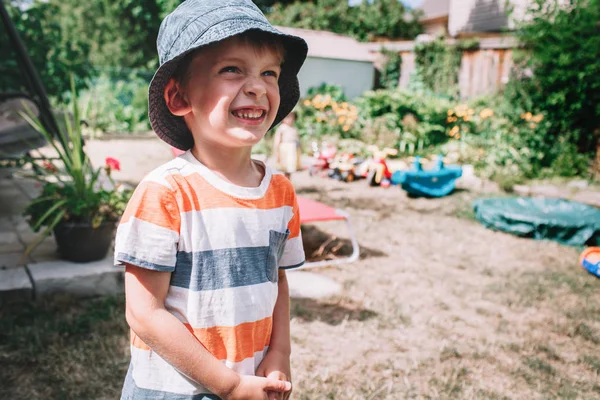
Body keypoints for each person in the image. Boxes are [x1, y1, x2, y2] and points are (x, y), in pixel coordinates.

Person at [113, 1, 308, 399]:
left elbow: (278, 279)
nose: (257, 85)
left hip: (250, 378)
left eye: (269, 72)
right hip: (173, 389)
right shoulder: (166, 192)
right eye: (231, 69)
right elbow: (144, 314)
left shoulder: (280, 192)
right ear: (179, 97)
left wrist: (279, 351)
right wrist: (228, 384)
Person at [273, 111, 301, 179]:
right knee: (285, 169)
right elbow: (277, 142)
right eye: (288, 117)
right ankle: (285, 182)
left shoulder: (294, 129)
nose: (290, 119)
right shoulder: (282, 128)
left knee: (290, 168)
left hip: (292, 150)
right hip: (285, 150)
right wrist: (277, 154)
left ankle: (289, 182)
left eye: (292, 117)